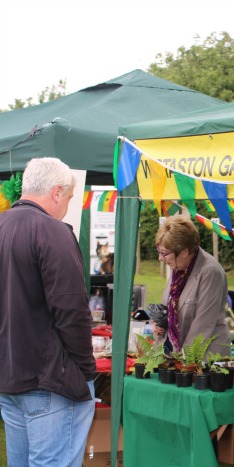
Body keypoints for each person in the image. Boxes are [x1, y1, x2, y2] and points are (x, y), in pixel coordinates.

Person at [0, 157, 96, 466]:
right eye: (68, 198)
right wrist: (85, 368)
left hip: (11, 375)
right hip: (49, 377)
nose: (67, 205)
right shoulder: (53, 231)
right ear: (56, 192)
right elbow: (72, 310)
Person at [154, 215, 230, 356]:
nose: (160, 258)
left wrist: (181, 362)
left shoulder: (210, 271)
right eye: (159, 252)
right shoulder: (177, 269)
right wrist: (162, 323)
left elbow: (203, 325)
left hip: (206, 358)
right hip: (181, 357)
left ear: (184, 252)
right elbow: (172, 308)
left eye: (164, 253)